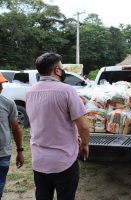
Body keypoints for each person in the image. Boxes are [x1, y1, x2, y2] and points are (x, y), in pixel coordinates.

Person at [26, 53, 90, 200]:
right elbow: (84, 127)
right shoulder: (67, 90)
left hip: (39, 160)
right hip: (63, 161)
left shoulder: (29, 92)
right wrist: (85, 145)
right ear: (56, 70)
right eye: (61, 67)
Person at [0, 72, 24, 199]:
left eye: (1, 84)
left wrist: (20, 151)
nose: (1, 88)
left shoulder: (8, 103)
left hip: (3, 154)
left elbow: (15, 128)